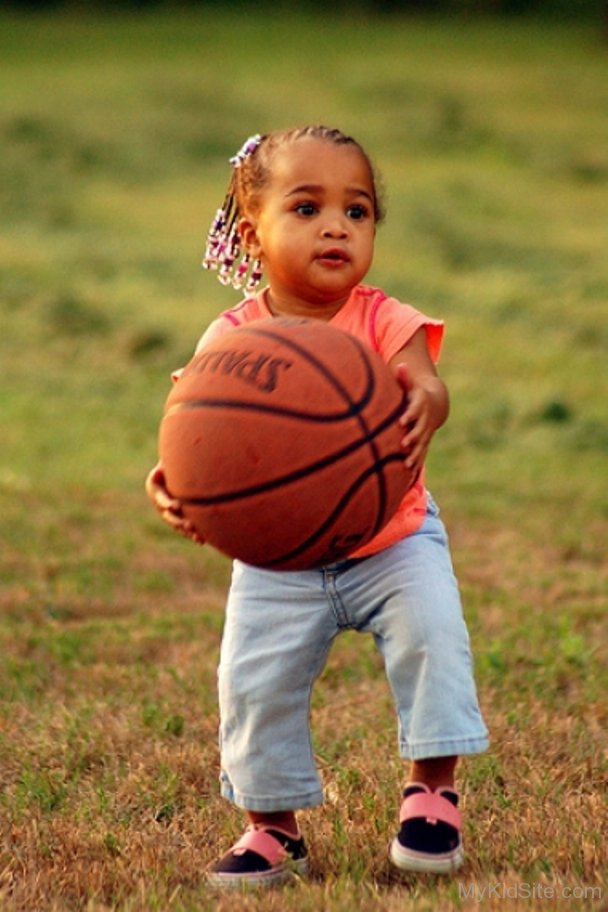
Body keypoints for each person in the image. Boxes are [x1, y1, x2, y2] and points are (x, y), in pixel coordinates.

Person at [146, 126, 489, 889]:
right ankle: (272, 829)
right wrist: (171, 484)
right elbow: (193, 438)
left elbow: (424, 381)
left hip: (393, 537)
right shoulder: (229, 340)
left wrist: (428, 401)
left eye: (357, 211)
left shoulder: (383, 319)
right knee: (252, 683)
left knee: (434, 639)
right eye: (306, 207)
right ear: (250, 233)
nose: (337, 226)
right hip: (278, 557)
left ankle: (431, 791)